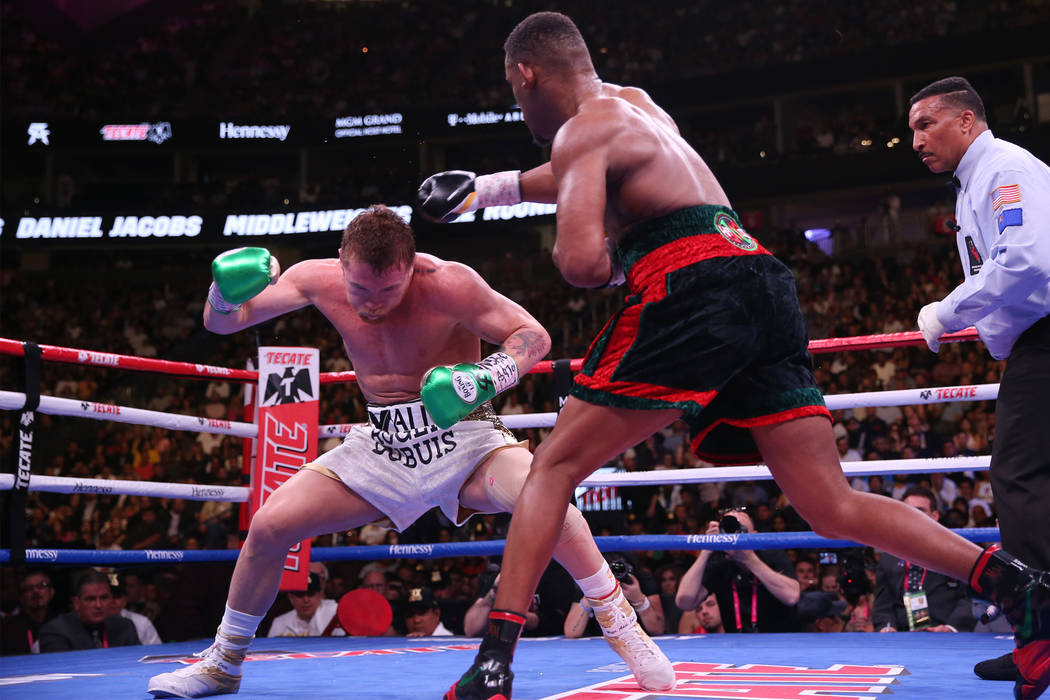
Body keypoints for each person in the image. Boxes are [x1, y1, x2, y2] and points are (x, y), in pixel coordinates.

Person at [418, 14, 1050, 700]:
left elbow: (578, 261)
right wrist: (492, 187)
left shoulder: (579, 133)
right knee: (830, 504)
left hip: (692, 281)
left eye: (515, 96)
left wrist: (607, 264)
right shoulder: (635, 105)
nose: (520, 109)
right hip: (760, 276)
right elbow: (584, 164)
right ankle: (1020, 586)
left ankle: (492, 666)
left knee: (552, 468)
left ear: (525, 75)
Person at [146, 205, 671, 698]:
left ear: (410, 267)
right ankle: (224, 662)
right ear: (342, 263)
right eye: (359, 289)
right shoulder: (314, 276)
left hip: (466, 438)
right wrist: (221, 292)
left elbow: (531, 337)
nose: (371, 303)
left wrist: (483, 378)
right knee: (267, 526)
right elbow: (224, 323)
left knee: (544, 492)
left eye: (388, 289)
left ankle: (623, 626)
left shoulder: (449, 283)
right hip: (382, 442)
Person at [910, 75, 1050, 690]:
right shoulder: (973, 186)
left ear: (966, 121)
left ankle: (1039, 636)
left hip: (1047, 340)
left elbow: (1027, 258)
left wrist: (947, 310)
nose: (915, 140)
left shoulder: (1002, 166)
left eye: (925, 124)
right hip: (1033, 344)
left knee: (1019, 479)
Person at [675, 509, 801, 633]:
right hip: (737, 647)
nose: (733, 537)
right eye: (728, 529)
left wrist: (749, 560)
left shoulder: (772, 555)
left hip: (780, 644)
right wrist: (706, 550)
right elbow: (684, 602)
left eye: (740, 529)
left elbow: (791, 596)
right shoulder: (720, 565)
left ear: (754, 535)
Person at [873, 488, 975, 633]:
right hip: (900, 638)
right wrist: (887, 627)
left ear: (934, 516)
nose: (913, 515)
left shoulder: (955, 552)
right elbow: (882, 606)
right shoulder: (889, 557)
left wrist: (951, 628)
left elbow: (969, 599)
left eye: (920, 510)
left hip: (945, 637)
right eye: (908, 510)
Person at [39, 570, 140, 652]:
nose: (98, 605)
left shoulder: (125, 626)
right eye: (90, 599)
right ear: (76, 603)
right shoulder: (56, 632)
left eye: (104, 598)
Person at [267, 571, 343, 637]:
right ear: (291, 597)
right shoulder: (279, 623)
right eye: (300, 594)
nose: (306, 600)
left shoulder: (334, 613)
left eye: (311, 594)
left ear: (320, 595)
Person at [0, 570, 57, 654]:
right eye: (29, 588)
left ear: (52, 591)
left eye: (42, 585)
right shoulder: (7, 628)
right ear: (21, 597)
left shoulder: (63, 623)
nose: (36, 591)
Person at [110, 572, 162, 645]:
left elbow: (157, 652)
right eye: (106, 597)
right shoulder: (92, 627)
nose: (111, 601)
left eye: (116, 596)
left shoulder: (141, 623)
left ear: (125, 599)